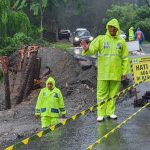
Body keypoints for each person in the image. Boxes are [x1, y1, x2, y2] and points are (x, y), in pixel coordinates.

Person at [81, 18, 130, 122]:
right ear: (107, 27)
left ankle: (110, 112)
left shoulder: (121, 41)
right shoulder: (101, 39)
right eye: (110, 27)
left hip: (116, 73)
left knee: (113, 93)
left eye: (114, 27)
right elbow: (92, 49)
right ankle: (101, 113)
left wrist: (124, 72)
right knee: (101, 94)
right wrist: (86, 48)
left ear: (117, 28)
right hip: (103, 72)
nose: (112, 29)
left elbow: (125, 58)